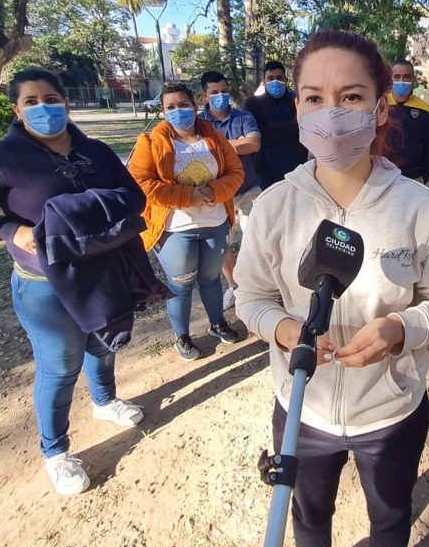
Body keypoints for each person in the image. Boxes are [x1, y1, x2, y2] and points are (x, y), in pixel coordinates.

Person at [235, 31, 429, 547]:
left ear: (381, 106)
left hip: (389, 412)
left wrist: (401, 328)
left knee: (390, 515)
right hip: (302, 412)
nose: (331, 114)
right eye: (314, 97)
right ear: (296, 108)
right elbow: (251, 298)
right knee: (307, 514)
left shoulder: (420, 207)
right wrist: (286, 329)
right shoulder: (273, 207)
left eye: (352, 97)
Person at [0, 68, 149, 496]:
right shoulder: (1, 157)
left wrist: (89, 204)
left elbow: (135, 196)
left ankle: (105, 402)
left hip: (102, 271)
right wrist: (8, 231)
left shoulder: (96, 152)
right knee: (61, 365)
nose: (43, 107)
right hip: (45, 284)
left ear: (65, 104)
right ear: (17, 109)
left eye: (51, 98)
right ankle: (55, 451)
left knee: (103, 342)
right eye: (31, 101)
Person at [128, 82, 245, 361]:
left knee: (210, 279)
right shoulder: (150, 142)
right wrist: (187, 195)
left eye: (183, 105)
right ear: (163, 111)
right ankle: (182, 336)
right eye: (170, 107)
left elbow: (236, 172)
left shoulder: (215, 138)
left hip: (214, 223)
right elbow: (140, 183)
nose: (178, 111)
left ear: (195, 107)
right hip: (175, 229)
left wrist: (214, 191)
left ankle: (217, 324)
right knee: (180, 285)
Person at [197, 70, 263, 311]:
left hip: (248, 189)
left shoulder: (243, 117)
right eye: (215, 93)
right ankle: (235, 287)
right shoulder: (199, 124)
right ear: (205, 96)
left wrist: (216, 147)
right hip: (218, 194)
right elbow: (196, 154)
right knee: (223, 245)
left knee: (257, 239)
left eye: (224, 91)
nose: (221, 96)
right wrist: (235, 145)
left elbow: (254, 144)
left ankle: (259, 286)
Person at [245, 60, 309, 188]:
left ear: (286, 79)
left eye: (279, 78)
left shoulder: (297, 100)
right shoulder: (253, 103)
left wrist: (271, 126)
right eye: (270, 78)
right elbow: (259, 136)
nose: (275, 81)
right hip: (266, 171)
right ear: (264, 81)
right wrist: (291, 125)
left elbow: (304, 128)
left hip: (297, 166)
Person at [384, 59, 429, 183]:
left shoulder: (424, 109)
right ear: (391, 79)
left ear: (413, 79)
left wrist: (425, 175)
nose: (401, 81)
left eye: (406, 77)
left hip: (413, 178)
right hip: (382, 177)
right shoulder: (380, 105)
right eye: (397, 76)